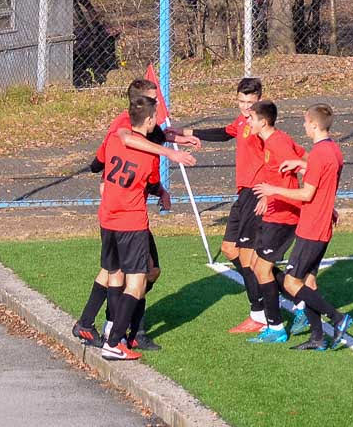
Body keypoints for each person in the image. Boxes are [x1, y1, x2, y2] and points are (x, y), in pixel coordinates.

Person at [72, 79, 198, 351]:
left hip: (113, 214)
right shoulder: (125, 131)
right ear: (141, 106)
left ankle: (98, 326)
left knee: (113, 273)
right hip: (128, 217)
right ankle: (121, 335)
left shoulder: (129, 132)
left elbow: (142, 139)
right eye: (154, 100)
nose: (159, 105)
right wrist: (168, 158)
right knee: (142, 275)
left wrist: (176, 138)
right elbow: (125, 149)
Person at [254, 103, 351, 351]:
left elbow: (307, 194)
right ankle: (317, 338)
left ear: (315, 125)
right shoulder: (333, 151)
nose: (304, 126)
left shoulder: (319, 153)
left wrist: (273, 189)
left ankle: (337, 317)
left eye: (306, 123)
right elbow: (323, 176)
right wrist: (301, 165)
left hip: (311, 227)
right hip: (322, 225)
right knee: (308, 283)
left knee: (290, 282)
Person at [180, 78, 268, 333]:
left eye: (251, 103)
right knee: (229, 249)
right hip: (243, 194)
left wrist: (269, 193)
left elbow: (279, 156)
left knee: (247, 256)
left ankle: (259, 312)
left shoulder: (262, 126)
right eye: (241, 101)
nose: (245, 107)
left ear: (260, 99)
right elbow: (225, 133)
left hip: (256, 192)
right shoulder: (242, 121)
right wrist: (188, 133)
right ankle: (274, 290)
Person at [96, 95, 165, 360]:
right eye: (155, 117)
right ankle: (114, 341)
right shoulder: (148, 158)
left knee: (116, 276)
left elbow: (103, 159)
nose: (157, 121)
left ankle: (112, 330)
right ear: (148, 120)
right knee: (136, 284)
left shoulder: (115, 139)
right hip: (132, 223)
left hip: (108, 221)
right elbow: (151, 183)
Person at [244, 100, 307, 344]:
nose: (248, 122)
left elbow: (308, 164)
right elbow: (303, 156)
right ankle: (300, 302)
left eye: (251, 118)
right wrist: (268, 195)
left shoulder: (278, 142)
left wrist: (318, 199)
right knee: (255, 263)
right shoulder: (273, 140)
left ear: (263, 121)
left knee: (261, 269)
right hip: (272, 212)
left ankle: (277, 327)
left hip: (284, 216)